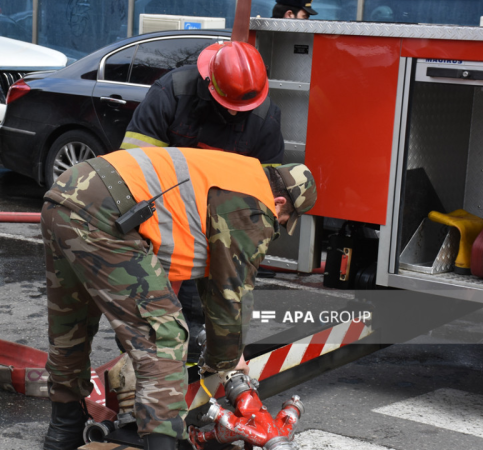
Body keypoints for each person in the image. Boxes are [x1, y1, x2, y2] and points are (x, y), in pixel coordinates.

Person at [41, 146, 316, 449]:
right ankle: (164, 443)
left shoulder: (240, 174)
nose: (276, 226)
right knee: (165, 337)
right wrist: (226, 360)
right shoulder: (254, 207)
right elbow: (231, 294)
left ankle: (63, 431)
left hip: (65, 192)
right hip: (106, 212)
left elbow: (216, 276)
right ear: (279, 202)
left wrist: (222, 352)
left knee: (71, 321)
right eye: (282, 220)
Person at [120, 41, 286, 362]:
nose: (234, 113)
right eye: (228, 105)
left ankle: (198, 364)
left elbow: (264, 193)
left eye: (241, 108)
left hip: (219, 223)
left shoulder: (265, 117)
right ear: (209, 83)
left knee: (208, 308)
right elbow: (133, 167)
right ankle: (143, 361)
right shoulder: (172, 92)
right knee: (146, 302)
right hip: (163, 214)